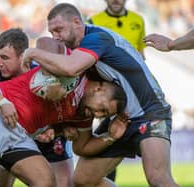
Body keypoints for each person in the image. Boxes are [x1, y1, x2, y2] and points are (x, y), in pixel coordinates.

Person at [22, 3, 180, 187]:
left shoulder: (97, 39)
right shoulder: (79, 50)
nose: (55, 36)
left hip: (149, 112)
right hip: (120, 117)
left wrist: (33, 53)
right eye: (52, 32)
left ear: (76, 22)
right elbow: (48, 45)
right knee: (82, 180)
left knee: (158, 179)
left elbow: (71, 67)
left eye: (59, 29)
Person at [0, 37, 129, 187]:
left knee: (45, 182)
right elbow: (46, 42)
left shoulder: (83, 113)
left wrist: (110, 137)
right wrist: (51, 78)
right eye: (102, 109)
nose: (98, 115)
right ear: (100, 90)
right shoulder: (74, 70)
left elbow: (81, 147)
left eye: (103, 115)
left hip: (20, 133)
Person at [0, 28, 74, 187]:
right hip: (12, 131)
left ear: (23, 57)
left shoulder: (44, 71)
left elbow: (63, 99)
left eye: (5, 57)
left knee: (60, 184)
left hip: (46, 135)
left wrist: (55, 128)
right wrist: (0, 101)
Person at [88, 0, 146, 180]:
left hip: (133, 93)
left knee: (143, 142)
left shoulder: (138, 21)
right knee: (102, 141)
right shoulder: (93, 21)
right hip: (106, 93)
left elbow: (141, 58)